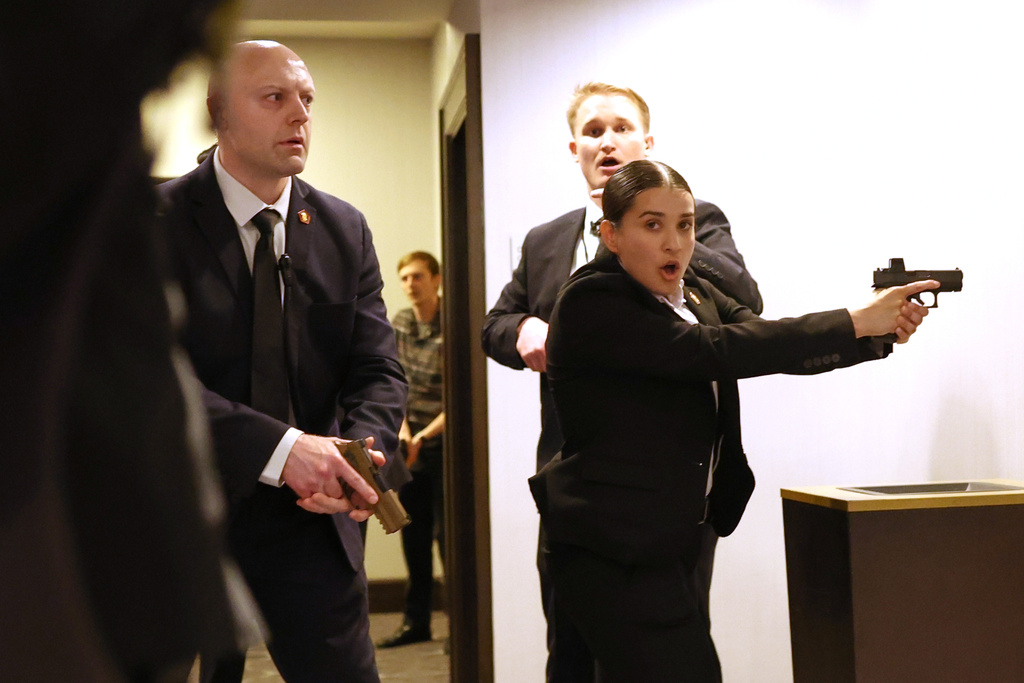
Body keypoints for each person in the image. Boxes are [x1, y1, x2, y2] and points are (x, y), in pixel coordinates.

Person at [529, 159, 937, 682]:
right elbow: (715, 349)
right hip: (610, 543)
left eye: (685, 225)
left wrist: (873, 333)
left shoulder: (694, 291)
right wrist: (854, 320)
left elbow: (763, 338)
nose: (674, 243)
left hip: (671, 533)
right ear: (611, 235)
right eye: (652, 225)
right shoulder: (592, 299)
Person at [0, 2, 263, 681]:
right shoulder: (67, 108)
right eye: (272, 97)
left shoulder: (105, 163)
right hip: (74, 549)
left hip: (138, 549)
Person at [481, 81, 762, 682]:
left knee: (669, 658)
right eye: (593, 131)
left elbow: (746, 298)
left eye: (622, 128)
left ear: (648, 143)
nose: (607, 141)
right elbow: (494, 324)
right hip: (575, 486)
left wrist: (658, 226)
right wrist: (525, 328)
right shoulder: (547, 240)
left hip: (672, 494)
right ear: (575, 149)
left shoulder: (700, 220)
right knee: (571, 653)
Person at [158, 40, 408, 683]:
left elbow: (377, 369)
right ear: (218, 113)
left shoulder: (343, 228)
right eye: (274, 98)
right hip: (175, 519)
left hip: (308, 524)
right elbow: (150, 378)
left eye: (307, 99)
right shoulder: (151, 223)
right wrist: (283, 449)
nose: (299, 115)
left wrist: (362, 455)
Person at [377, 251, 447, 648]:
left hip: (445, 439)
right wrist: (404, 434)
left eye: (418, 276)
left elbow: (460, 391)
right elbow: (393, 382)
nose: (410, 284)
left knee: (447, 535)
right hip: (410, 438)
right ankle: (416, 621)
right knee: (414, 533)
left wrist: (423, 437)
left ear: (436, 279)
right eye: (404, 278)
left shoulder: (452, 321)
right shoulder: (401, 323)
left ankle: (461, 624)